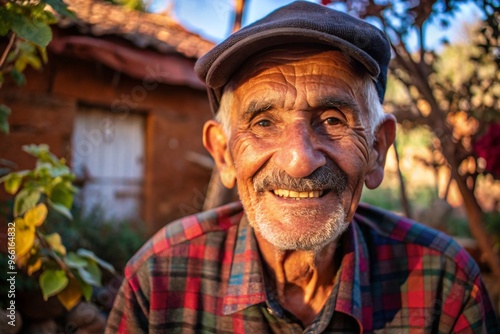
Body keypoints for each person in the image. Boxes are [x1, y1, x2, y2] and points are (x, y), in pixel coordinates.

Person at [105, 1, 499, 333]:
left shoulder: (444, 286)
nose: (299, 161)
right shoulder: (158, 281)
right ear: (224, 154)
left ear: (377, 150)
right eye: (263, 122)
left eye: (332, 120)